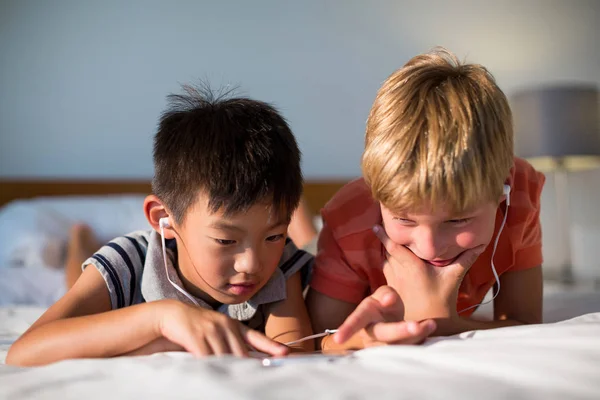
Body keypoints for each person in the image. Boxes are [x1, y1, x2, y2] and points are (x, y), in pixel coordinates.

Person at [7, 86, 315, 366]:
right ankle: (80, 241)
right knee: (77, 279)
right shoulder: (127, 262)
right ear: (161, 219)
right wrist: (160, 318)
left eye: (273, 235)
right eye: (225, 241)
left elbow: (291, 354)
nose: (251, 264)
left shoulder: (279, 265)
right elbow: (24, 351)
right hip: (123, 265)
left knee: (311, 244)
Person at [306, 48, 545, 351]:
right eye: (404, 219)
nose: (430, 246)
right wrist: (368, 337)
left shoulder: (520, 191)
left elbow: (524, 323)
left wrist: (440, 320)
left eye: (458, 219)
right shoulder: (349, 217)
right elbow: (318, 341)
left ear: (502, 192)